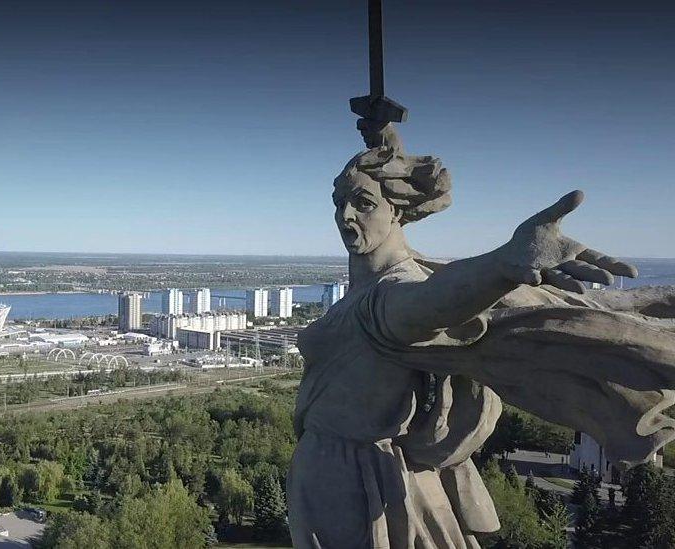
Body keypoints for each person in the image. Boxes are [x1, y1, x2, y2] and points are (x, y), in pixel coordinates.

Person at [287, 119, 675, 549]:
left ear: (396, 210)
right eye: (339, 201)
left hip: (354, 485)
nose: (345, 214)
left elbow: (435, 302)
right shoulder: (371, 280)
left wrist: (503, 264)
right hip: (342, 475)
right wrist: (385, 146)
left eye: (362, 203)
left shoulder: (392, 299)